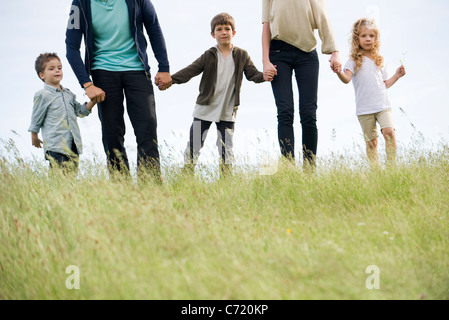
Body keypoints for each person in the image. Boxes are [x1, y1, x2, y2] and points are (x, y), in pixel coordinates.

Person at [65, 0, 172, 179]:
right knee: (112, 133)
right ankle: (121, 188)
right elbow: (71, 46)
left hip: (137, 70)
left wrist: (164, 67)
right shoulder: (80, 4)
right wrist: (87, 84)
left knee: (147, 128)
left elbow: (153, 27)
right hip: (102, 73)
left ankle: (152, 188)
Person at [165, 13, 274, 177]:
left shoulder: (242, 55)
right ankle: (186, 177)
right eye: (219, 29)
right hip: (204, 109)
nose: (224, 32)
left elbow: (253, 75)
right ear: (213, 34)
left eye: (227, 29)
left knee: (226, 149)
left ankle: (226, 181)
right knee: (195, 144)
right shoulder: (209, 55)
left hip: (227, 111)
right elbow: (191, 70)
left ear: (234, 33)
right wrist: (171, 80)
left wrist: (265, 76)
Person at [262, 0, 341, 170]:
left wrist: (334, 52)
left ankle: (309, 169)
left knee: (308, 113)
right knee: (284, 111)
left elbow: (322, 17)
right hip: (278, 53)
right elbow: (266, 25)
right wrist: (265, 61)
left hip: (307, 55)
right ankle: (289, 169)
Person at [334, 18, 406, 166]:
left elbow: (384, 84)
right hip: (364, 109)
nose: (368, 39)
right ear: (357, 39)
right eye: (363, 36)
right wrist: (338, 72)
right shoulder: (353, 60)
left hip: (383, 105)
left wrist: (397, 76)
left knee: (389, 132)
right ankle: (375, 173)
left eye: (371, 36)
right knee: (372, 142)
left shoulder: (380, 59)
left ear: (376, 38)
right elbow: (346, 79)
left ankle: (392, 168)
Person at [29, 52, 96, 173]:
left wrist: (93, 100)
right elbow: (36, 117)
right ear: (42, 75)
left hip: (73, 144)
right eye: (52, 68)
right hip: (56, 146)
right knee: (59, 178)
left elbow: (80, 111)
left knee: (72, 178)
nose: (57, 71)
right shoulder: (42, 95)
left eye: (59, 68)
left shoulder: (68, 94)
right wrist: (34, 136)